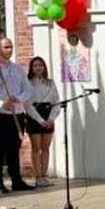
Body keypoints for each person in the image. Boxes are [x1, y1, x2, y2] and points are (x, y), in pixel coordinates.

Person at [0, 38, 33, 194]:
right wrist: (1, 103)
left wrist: (19, 98)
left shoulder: (18, 69)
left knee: (14, 147)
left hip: (17, 113)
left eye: (11, 47)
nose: (10, 49)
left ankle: (16, 180)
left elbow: (28, 89)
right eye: (6, 47)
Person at [24, 57, 60, 188]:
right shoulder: (28, 83)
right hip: (34, 116)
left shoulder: (50, 83)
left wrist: (51, 118)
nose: (38, 67)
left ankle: (44, 176)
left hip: (48, 115)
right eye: (35, 65)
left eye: (40, 65)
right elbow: (27, 104)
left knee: (45, 148)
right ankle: (38, 177)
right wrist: (40, 120)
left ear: (44, 67)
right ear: (31, 68)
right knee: (36, 147)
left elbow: (56, 101)